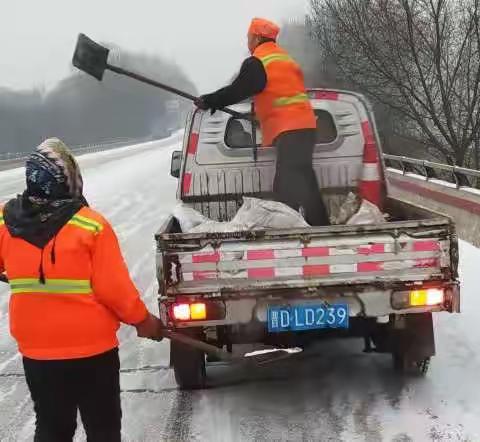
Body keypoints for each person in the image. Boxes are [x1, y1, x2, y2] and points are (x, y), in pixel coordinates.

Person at [0, 138, 163, 442]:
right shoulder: (90, 226)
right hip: (92, 352)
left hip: (38, 354)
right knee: (102, 429)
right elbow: (115, 290)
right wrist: (143, 321)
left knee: (52, 428)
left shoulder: (6, 221)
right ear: (67, 179)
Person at [195, 17, 329, 226]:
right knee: (305, 181)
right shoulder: (285, 59)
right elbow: (279, 94)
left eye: (248, 37)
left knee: (286, 185)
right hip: (306, 127)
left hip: (290, 130)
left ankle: (285, 233)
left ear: (256, 37)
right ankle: (321, 227)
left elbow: (239, 89)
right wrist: (261, 116)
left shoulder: (258, 61)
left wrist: (210, 100)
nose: (247, 42)